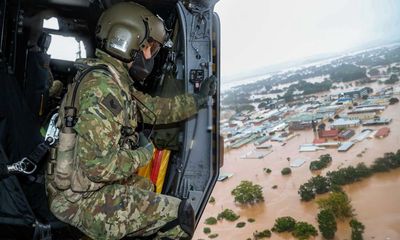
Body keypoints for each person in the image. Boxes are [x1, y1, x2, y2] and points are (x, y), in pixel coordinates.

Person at [45, 2, 215, 240]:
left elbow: (155, 109)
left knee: (145, 187)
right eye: (150, 49)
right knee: (179, 215)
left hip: (81, 187)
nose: (152, 56)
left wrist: (197, 100)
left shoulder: (112, 79)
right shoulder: (104, 89)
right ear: (127, 41)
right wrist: (144, 153)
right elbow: (99, 168)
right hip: (75, 201)